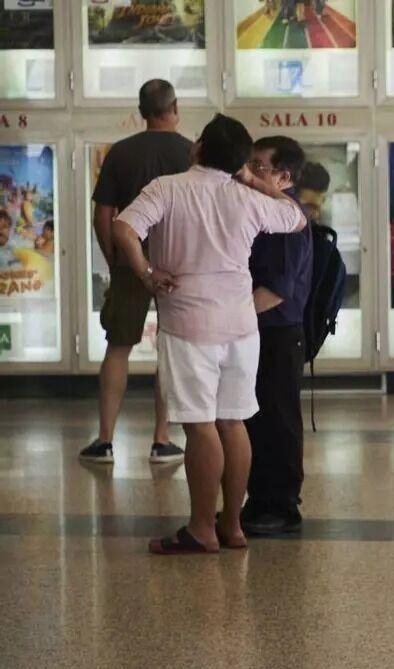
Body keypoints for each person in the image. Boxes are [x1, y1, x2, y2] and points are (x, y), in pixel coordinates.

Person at [109, 114, 308, 554]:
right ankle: (233, 526)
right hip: (241, 326)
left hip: (188, 324)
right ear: (238, 161)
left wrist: (145, 272)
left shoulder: (167, 188)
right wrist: (254, 182)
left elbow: (122, 227)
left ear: (197, 147)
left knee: (201, 428)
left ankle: (201, 528)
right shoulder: (246, 197)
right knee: (234, 422)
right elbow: (295, 216)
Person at [79, 79, 193, 465]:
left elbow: (103, 215)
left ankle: (105, 440)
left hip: (132, 261)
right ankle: (162, 440)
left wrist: (116, 259)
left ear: (142, 111)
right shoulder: (191, 152)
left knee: (118, 347)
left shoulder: (121, 153)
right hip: (179, 264)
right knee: (170, 347)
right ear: (174, 107)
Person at [241, 136, 313, 537]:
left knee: (279, 419)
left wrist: (232, 315)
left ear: (284, 177)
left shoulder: (287, 219)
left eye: (259, 167)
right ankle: (259, 498)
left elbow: (278, 288)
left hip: (280, 330)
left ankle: (283, 505)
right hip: (260, 330)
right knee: (258, 418)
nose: (249, 174)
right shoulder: (264, 213)